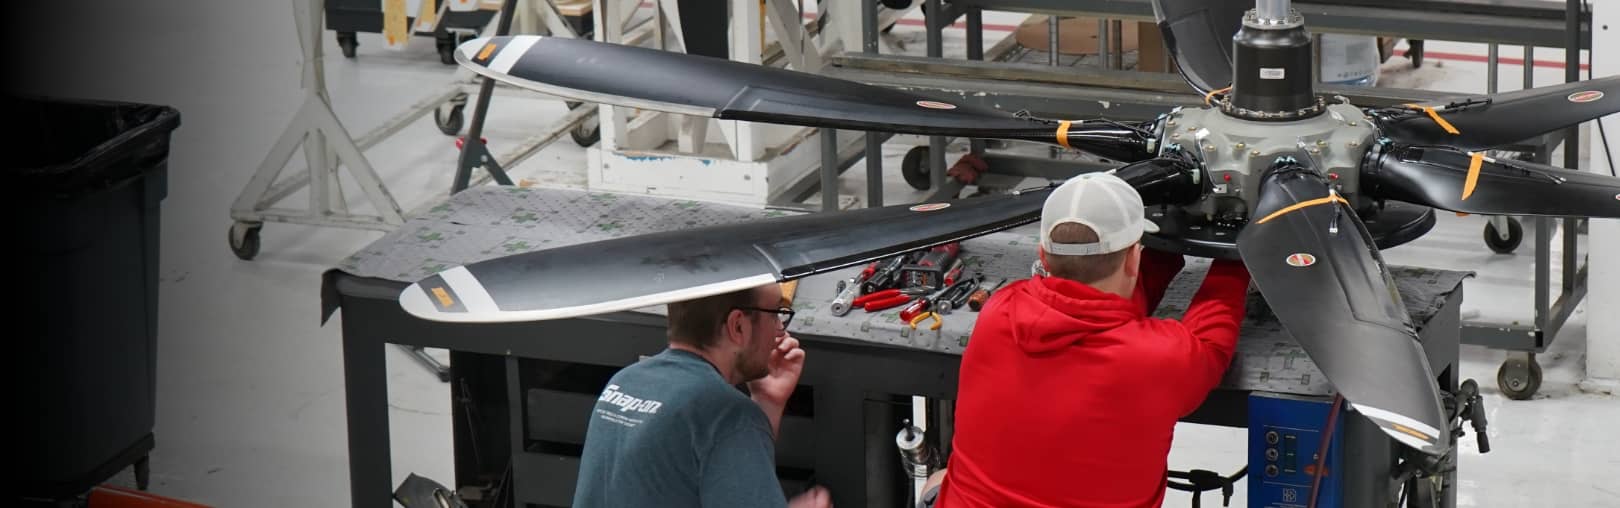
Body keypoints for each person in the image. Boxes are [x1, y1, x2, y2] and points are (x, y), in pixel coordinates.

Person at [931, 172, 1253, 507]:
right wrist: (1239, 247)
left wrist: (1164, 253)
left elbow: (1089, 303)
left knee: (939, 479)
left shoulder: (998, 311)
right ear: (1132, 258)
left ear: (1042, 255)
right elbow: (1215, 322)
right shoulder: (1162, 358)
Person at [572, 283, 832, 508]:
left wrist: (768, 402)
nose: (780, 330)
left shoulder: (625, 383)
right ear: (738, 325)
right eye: (775, 314)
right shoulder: (728, 415)